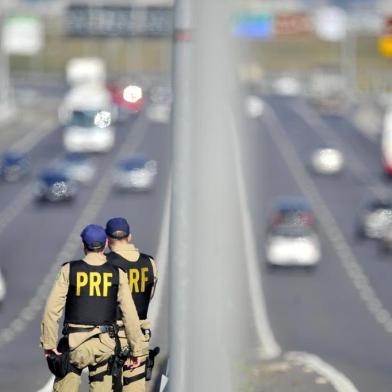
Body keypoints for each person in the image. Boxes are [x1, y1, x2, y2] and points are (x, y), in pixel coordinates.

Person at [40, 224, 147, 392]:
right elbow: (129, 315)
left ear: (83, 245)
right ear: (105, 245)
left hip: (75, 345)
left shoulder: (69, 270)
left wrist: (49, 343)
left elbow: (52, 309)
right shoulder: (117, 273)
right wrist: (137, 350)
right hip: (105, 346)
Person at [105, 217, 158, 392]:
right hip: (140, 336)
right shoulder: (149, 263)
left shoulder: (105, 264)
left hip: (110, 336)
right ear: (130, 237)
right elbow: (149, 295)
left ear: (107, 240)